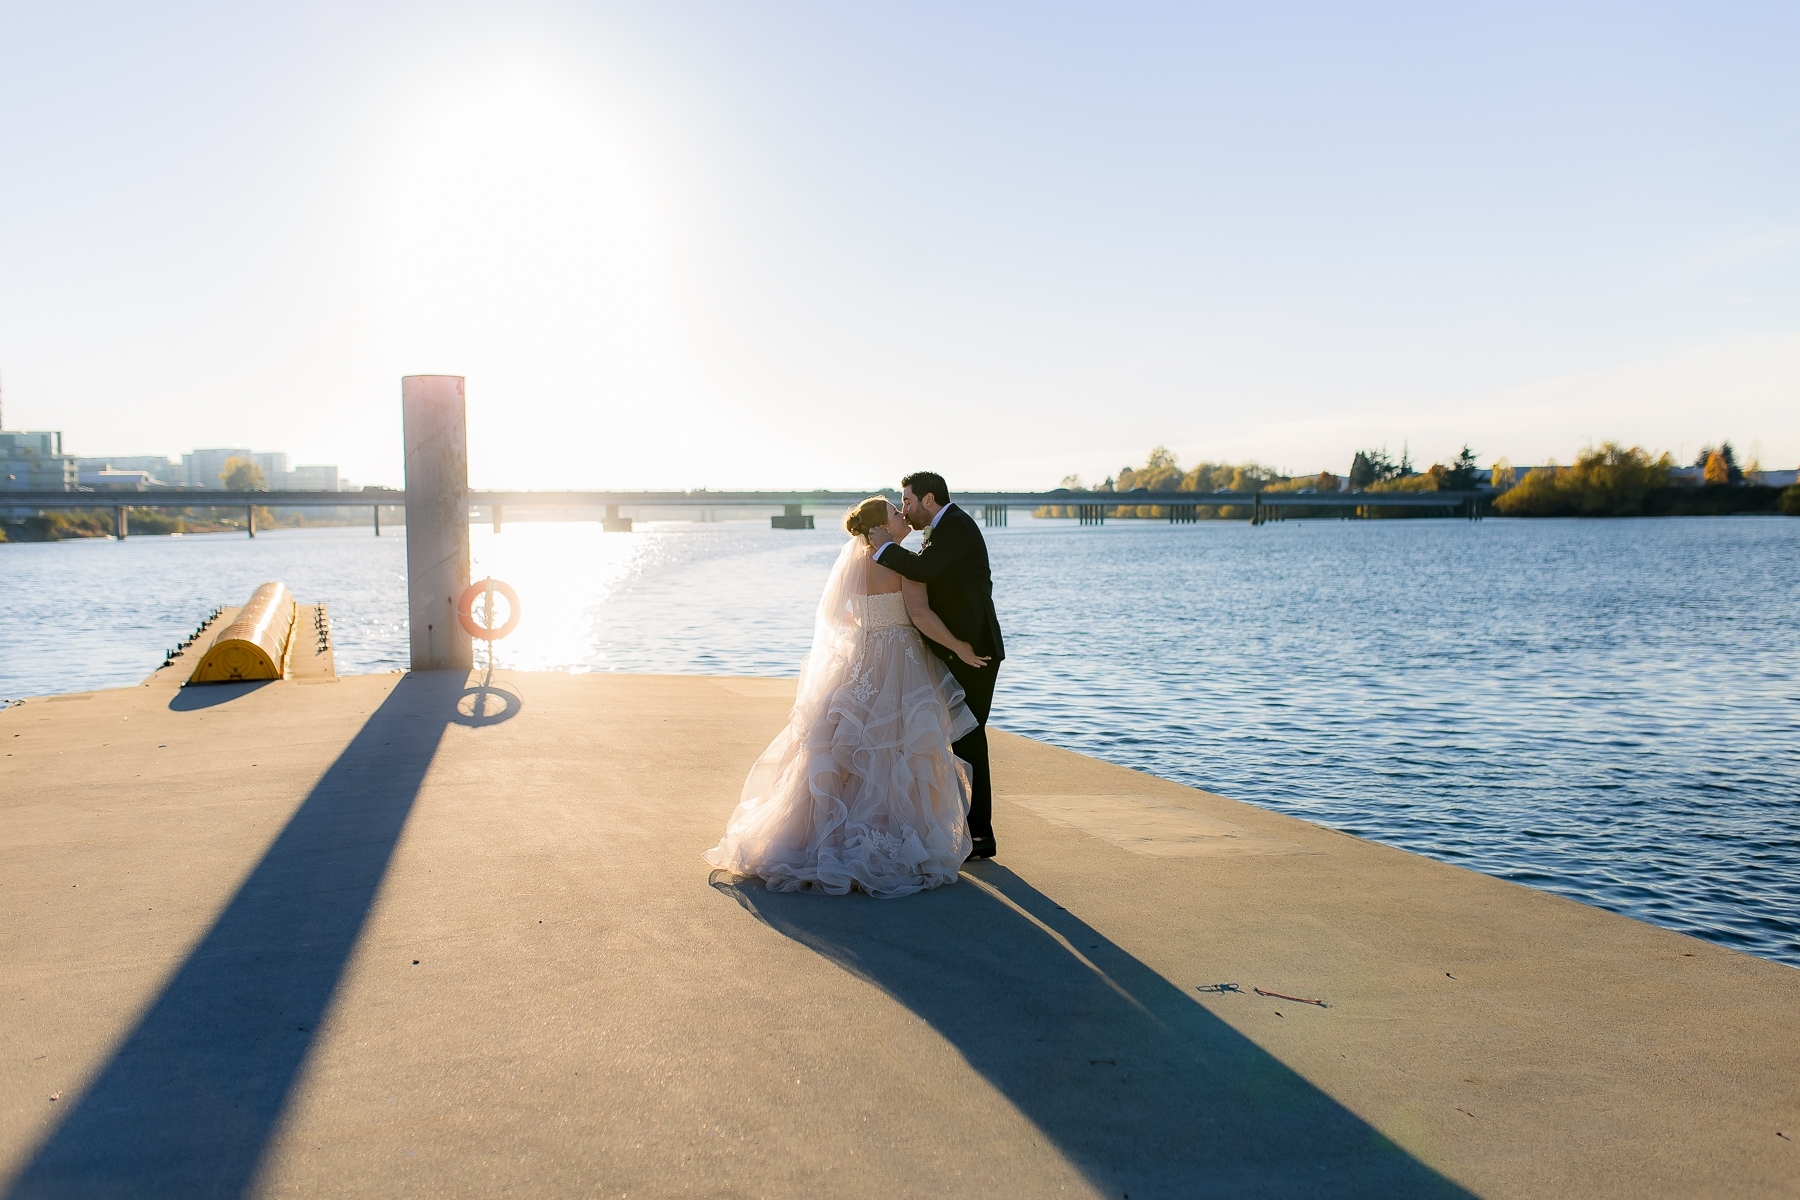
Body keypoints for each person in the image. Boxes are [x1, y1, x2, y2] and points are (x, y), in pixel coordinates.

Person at [704, 497, 991, 897]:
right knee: (900, 746)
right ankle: (896, 833)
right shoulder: (903, 561)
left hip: (864, 656)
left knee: (852, 743)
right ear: (881, 527)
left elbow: (838, 617)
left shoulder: (854, 565)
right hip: (901, 659)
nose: (902, 515)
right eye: (895, 512)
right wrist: (959, 646)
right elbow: (922, 616)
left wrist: (871, 625)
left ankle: (826, 835)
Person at [864, 471, 1005, 860]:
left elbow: (923, 571)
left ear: (929, 500)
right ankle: (964, 830)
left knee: (969, 738)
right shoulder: (941, 529)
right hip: (954, 650)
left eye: (907, 501)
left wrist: (884, 548)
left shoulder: (956, 526)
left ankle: (980, 836)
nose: (905, 510)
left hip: (974, 652)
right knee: (956, 739)